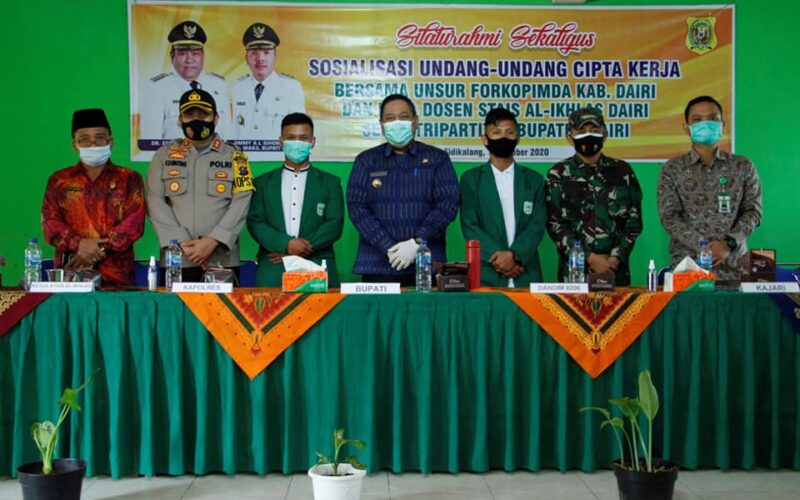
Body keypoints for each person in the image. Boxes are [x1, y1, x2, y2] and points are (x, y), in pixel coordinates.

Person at [347, 94, 460, 286]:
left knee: (429, 308)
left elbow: (448, 204)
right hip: (377, 265)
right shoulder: (366, 161)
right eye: (390, 118)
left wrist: (417, 242)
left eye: (404, 117)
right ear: (381, 124)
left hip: (427, 264)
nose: (397, 123)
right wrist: (389, 248)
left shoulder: (437, 159)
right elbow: (357, 208)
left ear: (415, 122)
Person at [145, 89, 254, 282]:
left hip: (221, 259)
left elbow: (242, 201)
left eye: (203, 114)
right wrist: (181, 242)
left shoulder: (235, 156)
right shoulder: (163, 156)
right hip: (177, 258)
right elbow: (155, 201)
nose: (197, 120)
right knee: (175, 304)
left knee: (222, 304)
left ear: (216, 118)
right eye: (189, 115)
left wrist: (213, 241)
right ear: (180, 120)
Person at [657, 95, 762, 280]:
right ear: (686, 128)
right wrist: (704, 247)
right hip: (689, 268)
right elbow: (669, 217)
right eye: (697, 120)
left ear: (722, 125)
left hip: (734, 268)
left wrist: (728, 244)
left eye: (713, 118)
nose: (705, 124)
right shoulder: (672, 168)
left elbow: (753, 212)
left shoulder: (743, 166)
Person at [41, 109, 145, 285]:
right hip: (70, 273)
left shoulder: (129, 178)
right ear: (75, 145)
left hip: (117, 278)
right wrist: (78, 244)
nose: (93, 144)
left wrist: (97, 249)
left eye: (100, 137)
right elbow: (50, 222)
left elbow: (133, 224)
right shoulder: (59, 180)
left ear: (110, 142)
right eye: (84, 139)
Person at [545, 107, 643, 285]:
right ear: (569, 138)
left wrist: (615, 257)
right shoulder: (558, 174)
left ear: (604, 135)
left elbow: (634, 220)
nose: (588, 135)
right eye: (581, 131)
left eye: (594, 130)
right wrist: (589, 257)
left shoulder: (623, 171)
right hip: (574, 273)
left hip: (615, 271)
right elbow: (555, 224)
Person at [246, 113, 344, 286]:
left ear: (312, 142)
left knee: (322, 306)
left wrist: (299, 248)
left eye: (303, 138)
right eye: (291, 138)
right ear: (281, 141)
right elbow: (255, 222)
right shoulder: (262, 183)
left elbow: (334, 224)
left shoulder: (330, 182)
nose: (297, 143)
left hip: (317, 265)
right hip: (274, 266)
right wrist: (286, 244)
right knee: (269, 306)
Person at [460, 107, 547, 287]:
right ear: (485, 139)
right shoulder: (471, 180)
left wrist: (515, 256)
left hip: (525, 271)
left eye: (510, 132)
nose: (503, 137)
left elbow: (537, 225)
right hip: (487, 273)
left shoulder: (534, 180)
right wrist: (501, 260)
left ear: (517, 138)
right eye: (496, 132)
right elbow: (470, 225)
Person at [139, 20, 231, 143]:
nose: (189, 60)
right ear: (172, 56)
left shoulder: (219, 85)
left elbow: (227, 137)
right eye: (182, 53)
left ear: (203, 55)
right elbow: (150, 142)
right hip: (175, 154)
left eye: (195, 53)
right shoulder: (157, 88)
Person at [232, 23, 305, 143]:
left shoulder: (291, 87)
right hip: (244, 154)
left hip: (277, 154)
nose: (260, 58)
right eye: (254, 53)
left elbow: (298, 132)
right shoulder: (239, 87)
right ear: (246, 58)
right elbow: (236, 131)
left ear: (275, 57)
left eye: (266, 52)